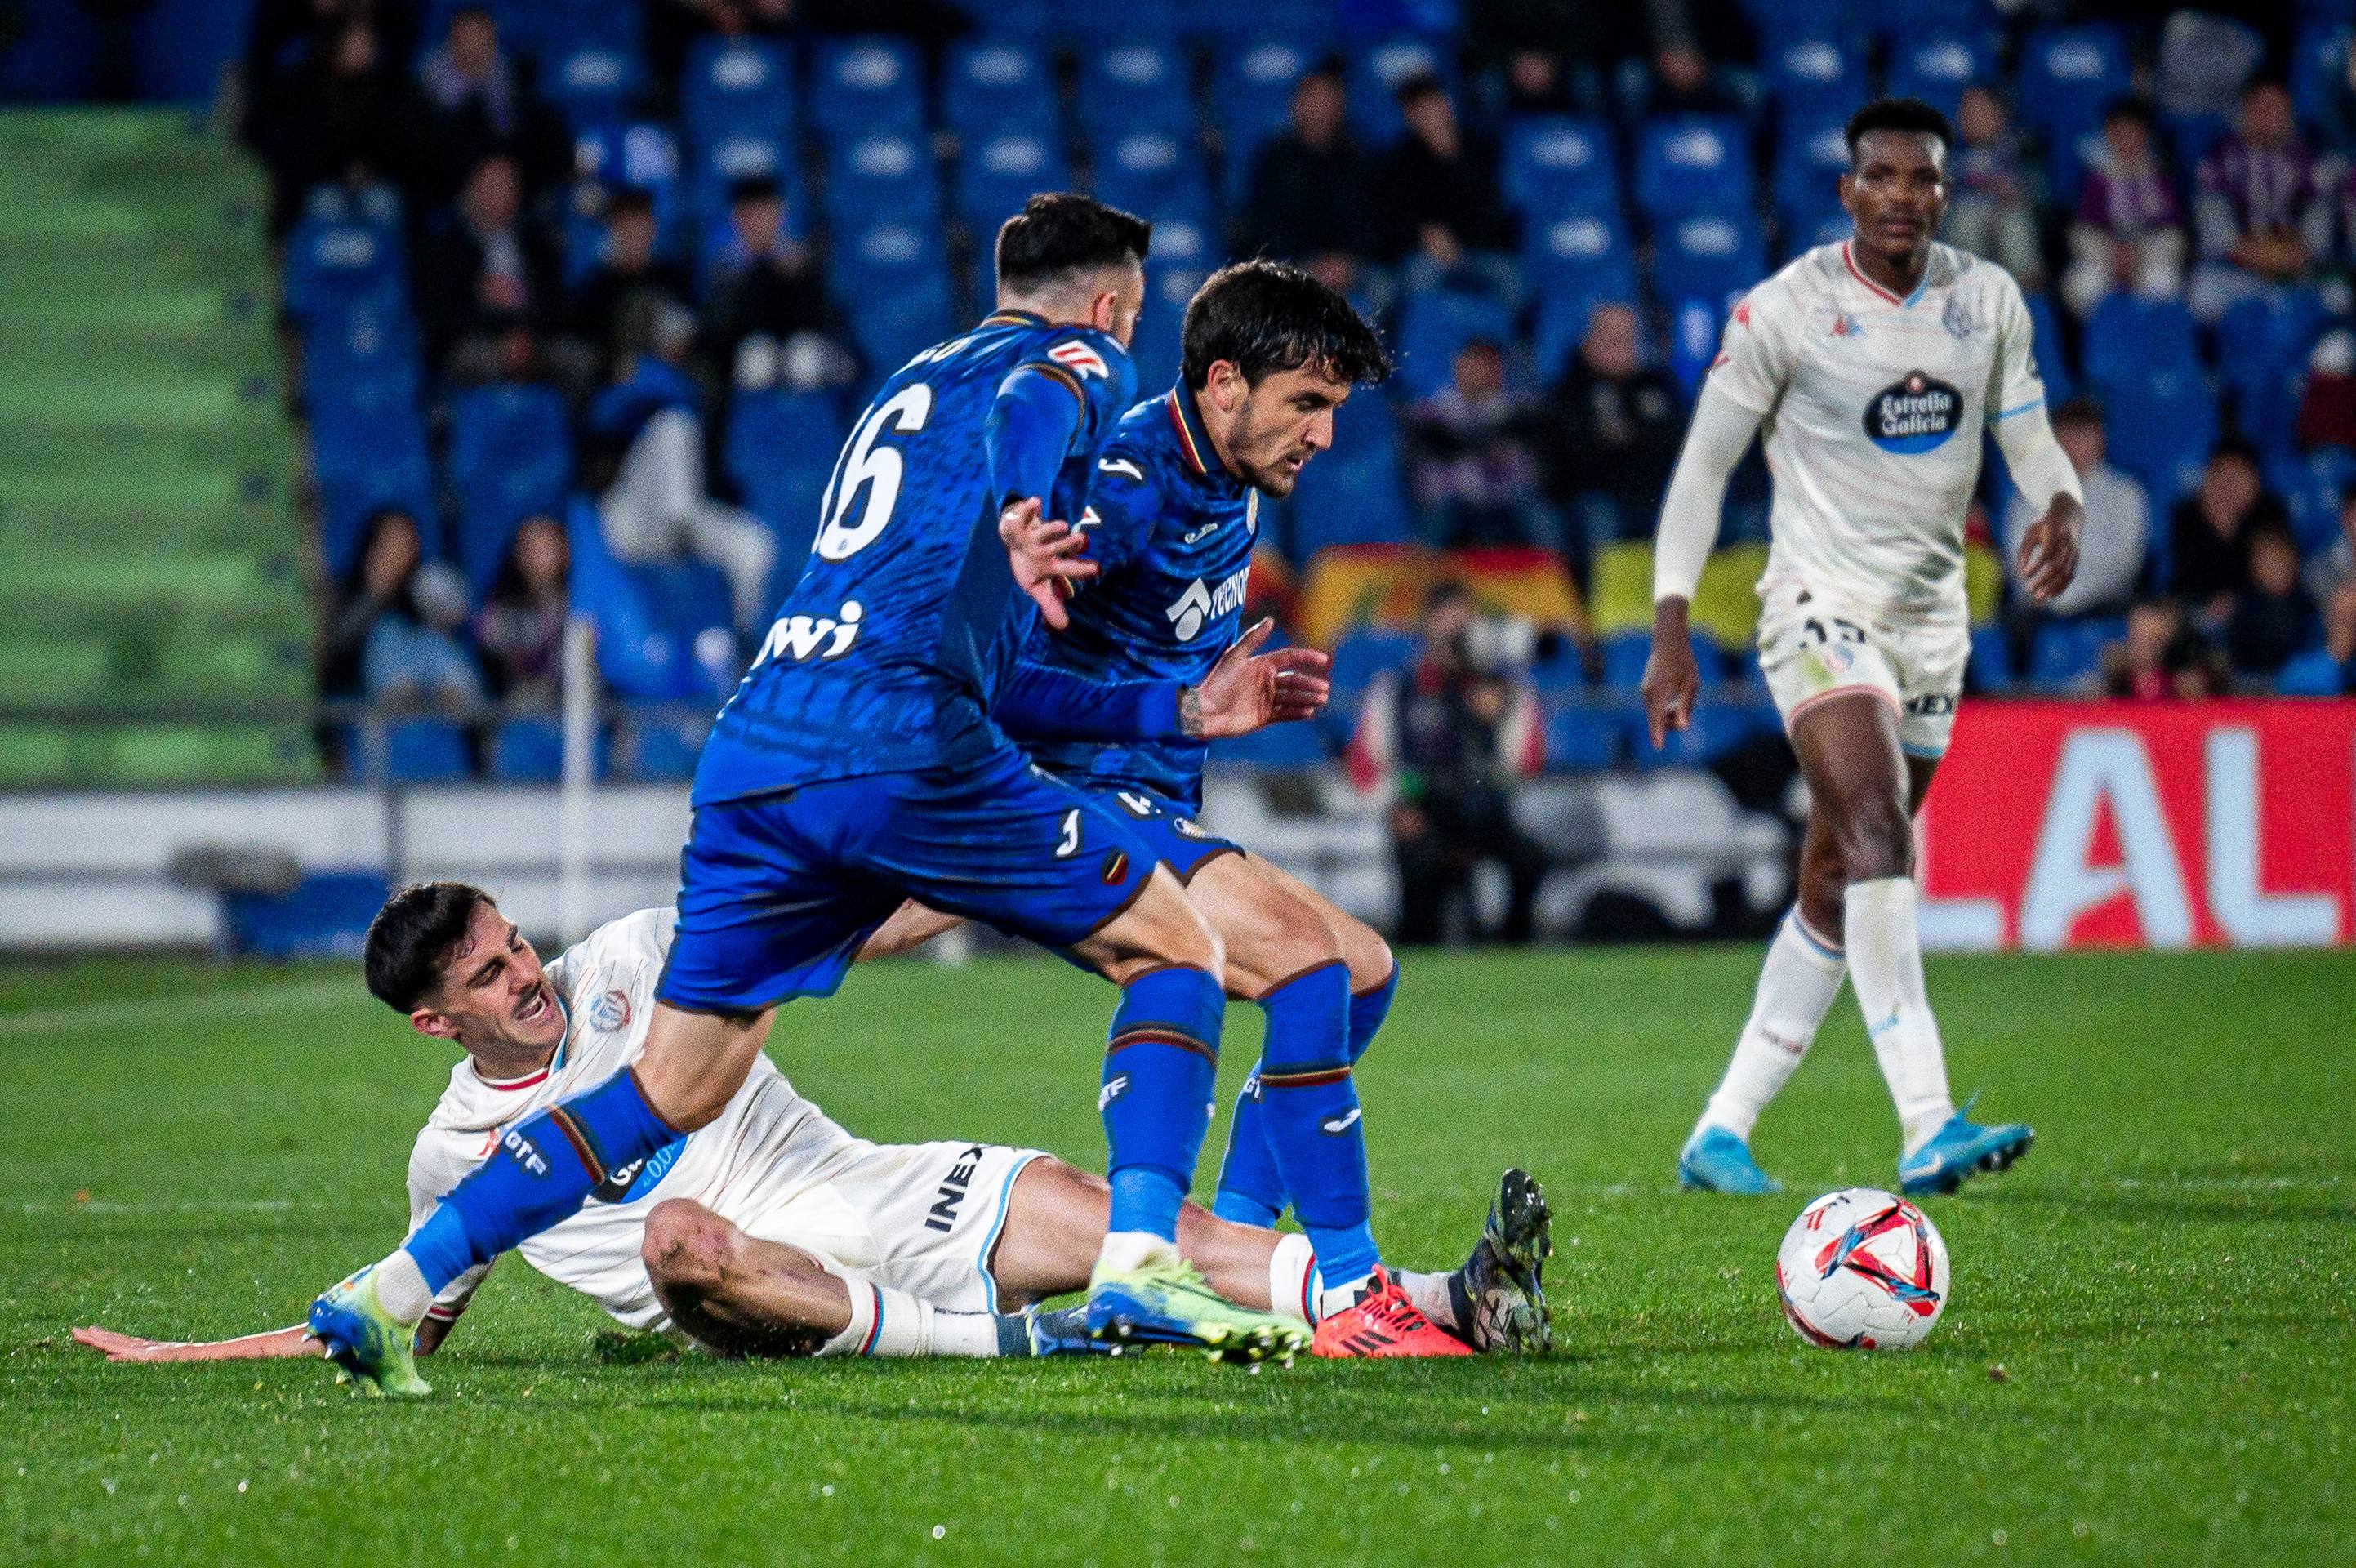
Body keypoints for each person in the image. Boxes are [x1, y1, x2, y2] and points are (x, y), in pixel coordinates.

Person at [307, 194, 1330, 1397]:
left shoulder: (907, 380)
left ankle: (393, 1287)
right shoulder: (1075, 354)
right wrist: (1020, 506)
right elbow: (1040, 400)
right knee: (1176, 946)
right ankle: (1143, 1263)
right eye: (1133, 316)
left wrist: (1173, 713)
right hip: (897, 729)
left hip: (758, 740)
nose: (1126, 337)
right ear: (1108, 302)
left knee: (666, 1086)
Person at [78, 889, 1553, 1374]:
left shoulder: (639, 954)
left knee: (1140, 1231)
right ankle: (1008, 1346)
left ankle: (1437, 1304)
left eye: (514, 944)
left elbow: (849, 923)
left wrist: (998, 878)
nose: (527, 974)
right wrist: (188, 1357)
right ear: (434, 1023)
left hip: (871, 1190)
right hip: (749, 1287)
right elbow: (389, 1319)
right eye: (487, 976)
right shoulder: (453, 1158)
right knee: (674, 1240)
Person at [861, 264, 1475, 1359]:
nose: (1325, 436)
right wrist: (1183, 706)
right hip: (1056, 791)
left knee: (1363, 969)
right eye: (1307, 405)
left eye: (1335, 410)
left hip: (1130, 795)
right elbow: (995, 676)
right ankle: (1350, 1294)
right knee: (1300, 959)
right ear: (1225, 384)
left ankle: (1226, 1251)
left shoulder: (1224, 474)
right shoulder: (1129, 482)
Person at [1640, 99, 2083, 1198]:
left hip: (1932, 625)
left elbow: (2027, 437)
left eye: (1921, 180)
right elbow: (1702, 469)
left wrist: (2061, 506)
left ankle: (1719, 1130)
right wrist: (1670, 623)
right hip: (1814, 607)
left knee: (1838, 877)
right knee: (1880, 827)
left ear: (1944, 191)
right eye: (1879, 176)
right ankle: (1926, 1120)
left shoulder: (1987, 303)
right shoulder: (1786, 310)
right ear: (1848, 190)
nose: (1901, 196)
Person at [1352, 581, 1548, 947]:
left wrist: (1502, 712)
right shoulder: (1396, 690)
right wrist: (1396, 803)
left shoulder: (1501, 688)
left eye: (1465, 621)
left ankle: (1514, 947)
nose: (1457, 632)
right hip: (1423, 811)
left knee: (1531, 859)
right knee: (1419, 873)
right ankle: (1416, 949)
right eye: (1448, 621)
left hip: (1482, 811)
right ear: (1427, 626)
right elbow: (1366, 766)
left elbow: (1525, 762)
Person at [585, 299, 777, 635]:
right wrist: (643, 378)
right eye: (668, 334)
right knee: (673, 425)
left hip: (686, 520)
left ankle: (744, 642)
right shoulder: (623, 377)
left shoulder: (697, 381)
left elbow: (717, 465)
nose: (676, 342)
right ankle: (681, 519)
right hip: (629, 518)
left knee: (755, 545)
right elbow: (600, 424)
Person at [1544, 301, 1686, 549]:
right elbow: (1571, 455)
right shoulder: (1569, 389)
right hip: (1596, 496)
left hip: (1655, 490)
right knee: (1599, 516)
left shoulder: (1658, 384)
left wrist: (1625, 437)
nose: (1619, 347)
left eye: (1626, 338)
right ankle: (1601, 588)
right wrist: (1633, 438)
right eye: (1609, 338)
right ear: (1588, 341)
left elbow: (1677, 440)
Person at [2190, 78, 2332, 323]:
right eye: (2260, 108)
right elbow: (2210, 212)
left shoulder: (2307, 154)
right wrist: (2247, 252)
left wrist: (2301, 251)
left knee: (2337, 298)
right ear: (2246, 111)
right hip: (2236, 264)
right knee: (2201, 296)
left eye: (2277, 109)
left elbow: (2320, 211)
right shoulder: (2221, 153)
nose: (2268, 117)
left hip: (2296, 264)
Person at [1405, 337, 1557, 550]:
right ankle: (1426, 579)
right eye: (1471, 364)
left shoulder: (1517, 410)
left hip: (1506, 501)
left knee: (1539, 517)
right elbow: (1426, 472)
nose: (1478, 372)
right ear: (1458, 367)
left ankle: (1551, 580)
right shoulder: (1433, 412)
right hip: (1455, 501)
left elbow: (1528, 471)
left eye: (1486, 365)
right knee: (1437, 521)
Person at [417, 152, 562, 376]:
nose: (499, 192)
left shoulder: (537, 242)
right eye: (491, 184)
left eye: (507, 184)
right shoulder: (448, 246)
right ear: (472, 188)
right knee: (473, 359)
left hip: (533, 338)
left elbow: (555, 301)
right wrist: (482, 299)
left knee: (578, 359)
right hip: (476, 338)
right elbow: (440, 311)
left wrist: (526, 334)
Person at [2003, 397, 2147, 619]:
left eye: (2082, 436)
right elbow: (2019, 557)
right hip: (2041, 608)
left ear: (2100, 438)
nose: (2073, 445)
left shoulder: (2126, 492)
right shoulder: (2028, 494)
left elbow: (2126, 560)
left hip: (2104, 606)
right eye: (2066, 436)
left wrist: (2075, 596)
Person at [1373, 74, 1514, 288]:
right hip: (1429, 256)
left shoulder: (1480, 147)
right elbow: (1395, 216)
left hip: (1482, 250)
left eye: (1434, 104)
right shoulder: (1401, 159)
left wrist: (1451, 157)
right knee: (1417, 276)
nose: (1429, 115)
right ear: (1408, 116)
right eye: (1418, 109)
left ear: (1447, 104)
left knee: (1513, 282)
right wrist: (1423, 234)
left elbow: (1494, 210)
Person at [1235, 63, 1374, 268]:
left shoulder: (1361, 157)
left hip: (1352, 267)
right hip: (1291, 266)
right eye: (1313, 100)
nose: (1320, 109)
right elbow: (1263, 227)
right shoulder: (1274, 159)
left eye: (1328, 100)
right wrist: (1306, 264)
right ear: (1297, 106)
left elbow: (1372, 225)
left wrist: (1347, 262)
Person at [2062, 99, 2188, 318]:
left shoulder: (2159, 178)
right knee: (2080, 287)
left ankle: (2149, 345)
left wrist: (2140, 254)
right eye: (2119, 131)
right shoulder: (2096, 178)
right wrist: (2111, 254)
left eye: (2134, 131)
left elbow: (2174, 235)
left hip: (2150, 258)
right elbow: (2080, 232)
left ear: (2146, 135)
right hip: (2104, 259)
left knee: (2166, 285)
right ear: (2107, 133)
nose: (2127, 139)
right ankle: (2104, 344)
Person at [564, 187, 693, 378]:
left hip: (671, 373)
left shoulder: (672, 278)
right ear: (612, 231)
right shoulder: (598, 285)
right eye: (625, 227)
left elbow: (689, 328)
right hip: (616, 380)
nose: (633, 236)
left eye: (640, 226)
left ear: (652, 228)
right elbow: (587, 338)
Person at [2167, 439, 2283, 626]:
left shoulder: (2270, 513)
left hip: (2257, 607)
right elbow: (2185, 575)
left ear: (2254, 481)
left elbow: (2278, 572)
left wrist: (2238, 601)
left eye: (2239, 475)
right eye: (2222, 474)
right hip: (2200, 606)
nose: (2229, 485)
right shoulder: (2186, 515)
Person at [1944, 86, 2045, 292]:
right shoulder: (1946, 150)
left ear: (2000, 116)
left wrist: (2007, 200)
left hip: (2008, 222)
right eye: (1967, 111)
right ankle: (1968, 293)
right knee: (1968, 219)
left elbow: (2040, 196)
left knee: (2014, 221)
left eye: (1982, 112)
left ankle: (2025, 299)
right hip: (1960, 227)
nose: (1973, 118)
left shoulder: (2023, 148)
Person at [475, 515, 569, 705]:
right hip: (521, 704)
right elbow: (504, 668)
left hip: (574, 697)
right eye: (532, 545)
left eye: (548, 543)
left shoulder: (582, 600)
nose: (541, 552)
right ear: (518, 552)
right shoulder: (499, 607)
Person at [2225, 519, 2322, 680]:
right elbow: (2240, 656)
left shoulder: (2306, 604)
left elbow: (2312, 646)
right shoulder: (2246, 606)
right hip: (2255, 681)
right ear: (2254, 570)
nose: (2276, 570)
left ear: (2295, 564)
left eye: (2281, 562)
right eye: (2267, 564)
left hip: (2297, 679)